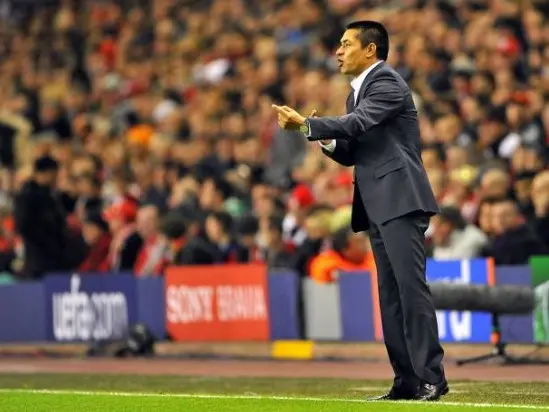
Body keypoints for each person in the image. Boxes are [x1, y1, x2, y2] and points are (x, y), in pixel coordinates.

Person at [273, 21, 447, 401]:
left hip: (400, 198)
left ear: (371, 50)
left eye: (346, 44)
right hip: (377, 202)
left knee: (410, 289)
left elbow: (359, 123)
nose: (337, 51)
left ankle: (432, 376)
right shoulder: (357, 95)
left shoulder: (386, 81)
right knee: (390, 296)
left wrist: (309, 123)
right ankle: (406, 381)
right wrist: (316, 135)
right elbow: (352, 149)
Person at [13, 156, 69, 279]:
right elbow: (23, 224)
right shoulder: (28, 196)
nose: (56, 178)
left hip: (53, 258)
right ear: (47, 173)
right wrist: (46, 237)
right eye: (54, 173)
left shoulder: (51, 194)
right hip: (38, 258)